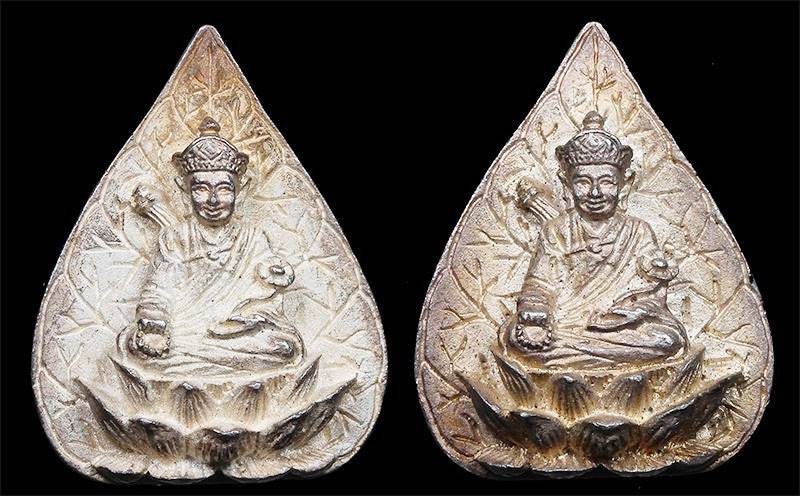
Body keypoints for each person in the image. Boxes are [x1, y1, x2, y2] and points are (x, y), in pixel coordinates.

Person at [123, 117, 304, 377]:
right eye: (201, 189)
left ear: (240, 191)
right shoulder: (176, 236)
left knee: (284, 347)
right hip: (184, 330)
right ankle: (201, 362)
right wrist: (155, 320)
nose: (213, 200)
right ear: (185, 191)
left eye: (224, 189)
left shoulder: (252, 237)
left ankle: (193, 365)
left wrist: (274, 276)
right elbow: (158, 289)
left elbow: (267, 285)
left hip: (235, 332)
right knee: (137, 345)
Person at [504, 111, 687, 368]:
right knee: (515, 337)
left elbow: (651, 294)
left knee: (666, 340)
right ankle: (602, 358)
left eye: (607, 182)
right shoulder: (555, 230)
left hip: (620, 326)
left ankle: (573, 359)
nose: (595, 192)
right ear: (567, 184)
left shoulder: (638, 231)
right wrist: (536, 310)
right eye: (582, 182)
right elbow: (540, 284)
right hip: (567, 322)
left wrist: (629, 311)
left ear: (624, 184)